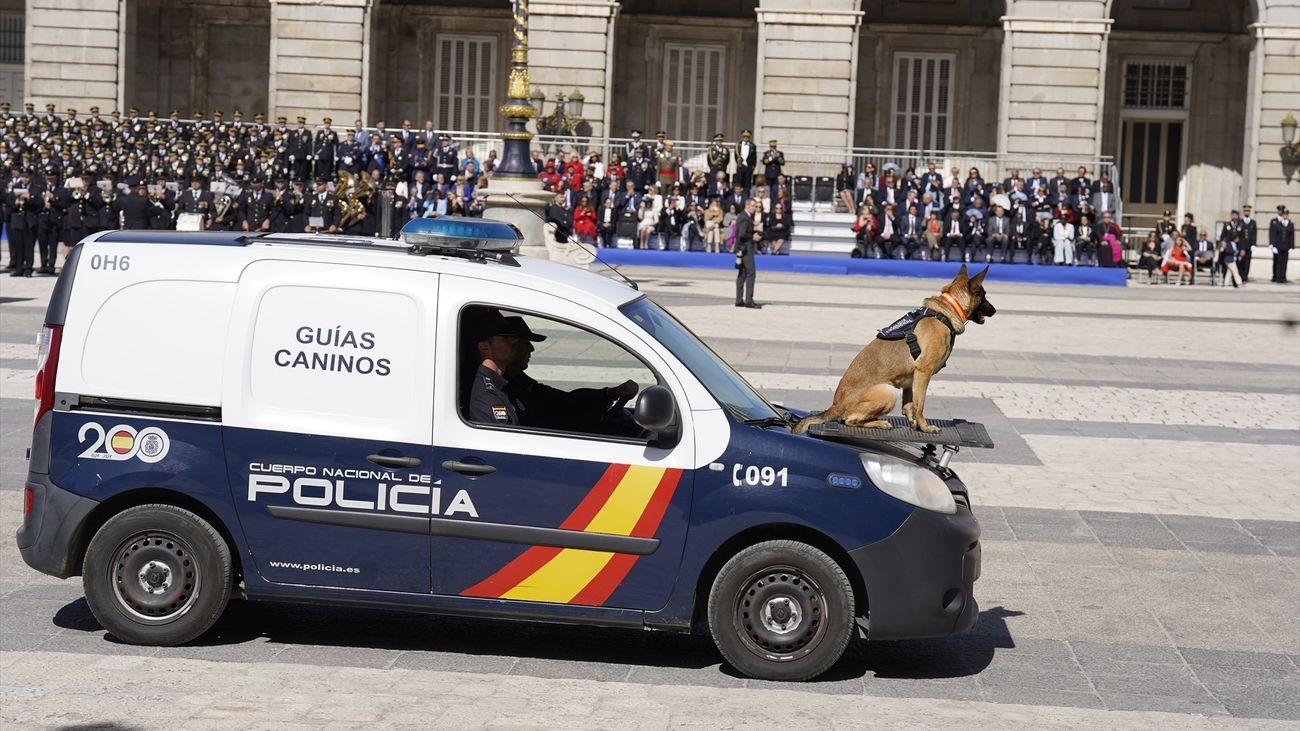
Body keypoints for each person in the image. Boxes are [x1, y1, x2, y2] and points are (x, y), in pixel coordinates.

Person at [465, 310, 534, 426]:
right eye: (507, 339)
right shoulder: (487, 397)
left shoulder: (499, 383)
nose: (515, 342)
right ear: (485, 348)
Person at [735, 197, 762, 308]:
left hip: (742, 248)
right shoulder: (745, 218)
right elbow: (742, 234)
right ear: (747, 206)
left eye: (755, 206)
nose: (755, 208)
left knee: (743, 273)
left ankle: (739, 299)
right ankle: (748, 300)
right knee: (751, 272)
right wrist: (753, 236)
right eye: (753, 206)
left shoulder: (744, 216)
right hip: (746, 248)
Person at [1269, 205, 1293, 283]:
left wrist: (1292, 247)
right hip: (1279, 246)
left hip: (1286, 246)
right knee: (1278, 262)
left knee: (1284, 263)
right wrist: (1273, 245)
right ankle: (1278, 277)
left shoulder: (1290, 224)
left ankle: (1283, 277)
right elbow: (1274, 234)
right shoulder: (1278, 223)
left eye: (1286, 214)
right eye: (1284, 214)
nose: (1285, 215)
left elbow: (1291, 236)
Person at [1239, 204, 1258, 281]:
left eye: (1248, 211)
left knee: (1247, 262)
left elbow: (1254, 234)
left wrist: (1253, 244)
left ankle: (1245, 275)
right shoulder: (1240, 222)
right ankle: (1241, 275)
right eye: (1245, 211)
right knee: (1241, 262)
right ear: (1243, 212)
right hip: (1241, 246)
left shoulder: (1253, 222)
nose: (1247, 212)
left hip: (1249, 246)